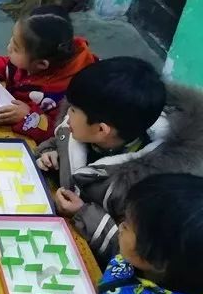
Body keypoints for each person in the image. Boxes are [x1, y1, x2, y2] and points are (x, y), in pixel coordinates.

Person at [36, 57, 203, 267]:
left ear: (101, 130)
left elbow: (134, 254)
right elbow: (61, 140)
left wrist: (82, 212)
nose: (67, 114)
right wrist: (50, 152)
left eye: (73, 110)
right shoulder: (86, 127)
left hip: (88, 260)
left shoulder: (147, 188)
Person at [0, 4, 97, 143]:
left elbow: (57, 131)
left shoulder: (64, 93)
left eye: (15, 48)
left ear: (41, 64)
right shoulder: (32, 61)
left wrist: (27, 116)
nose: (8, 47)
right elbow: (9, 65)